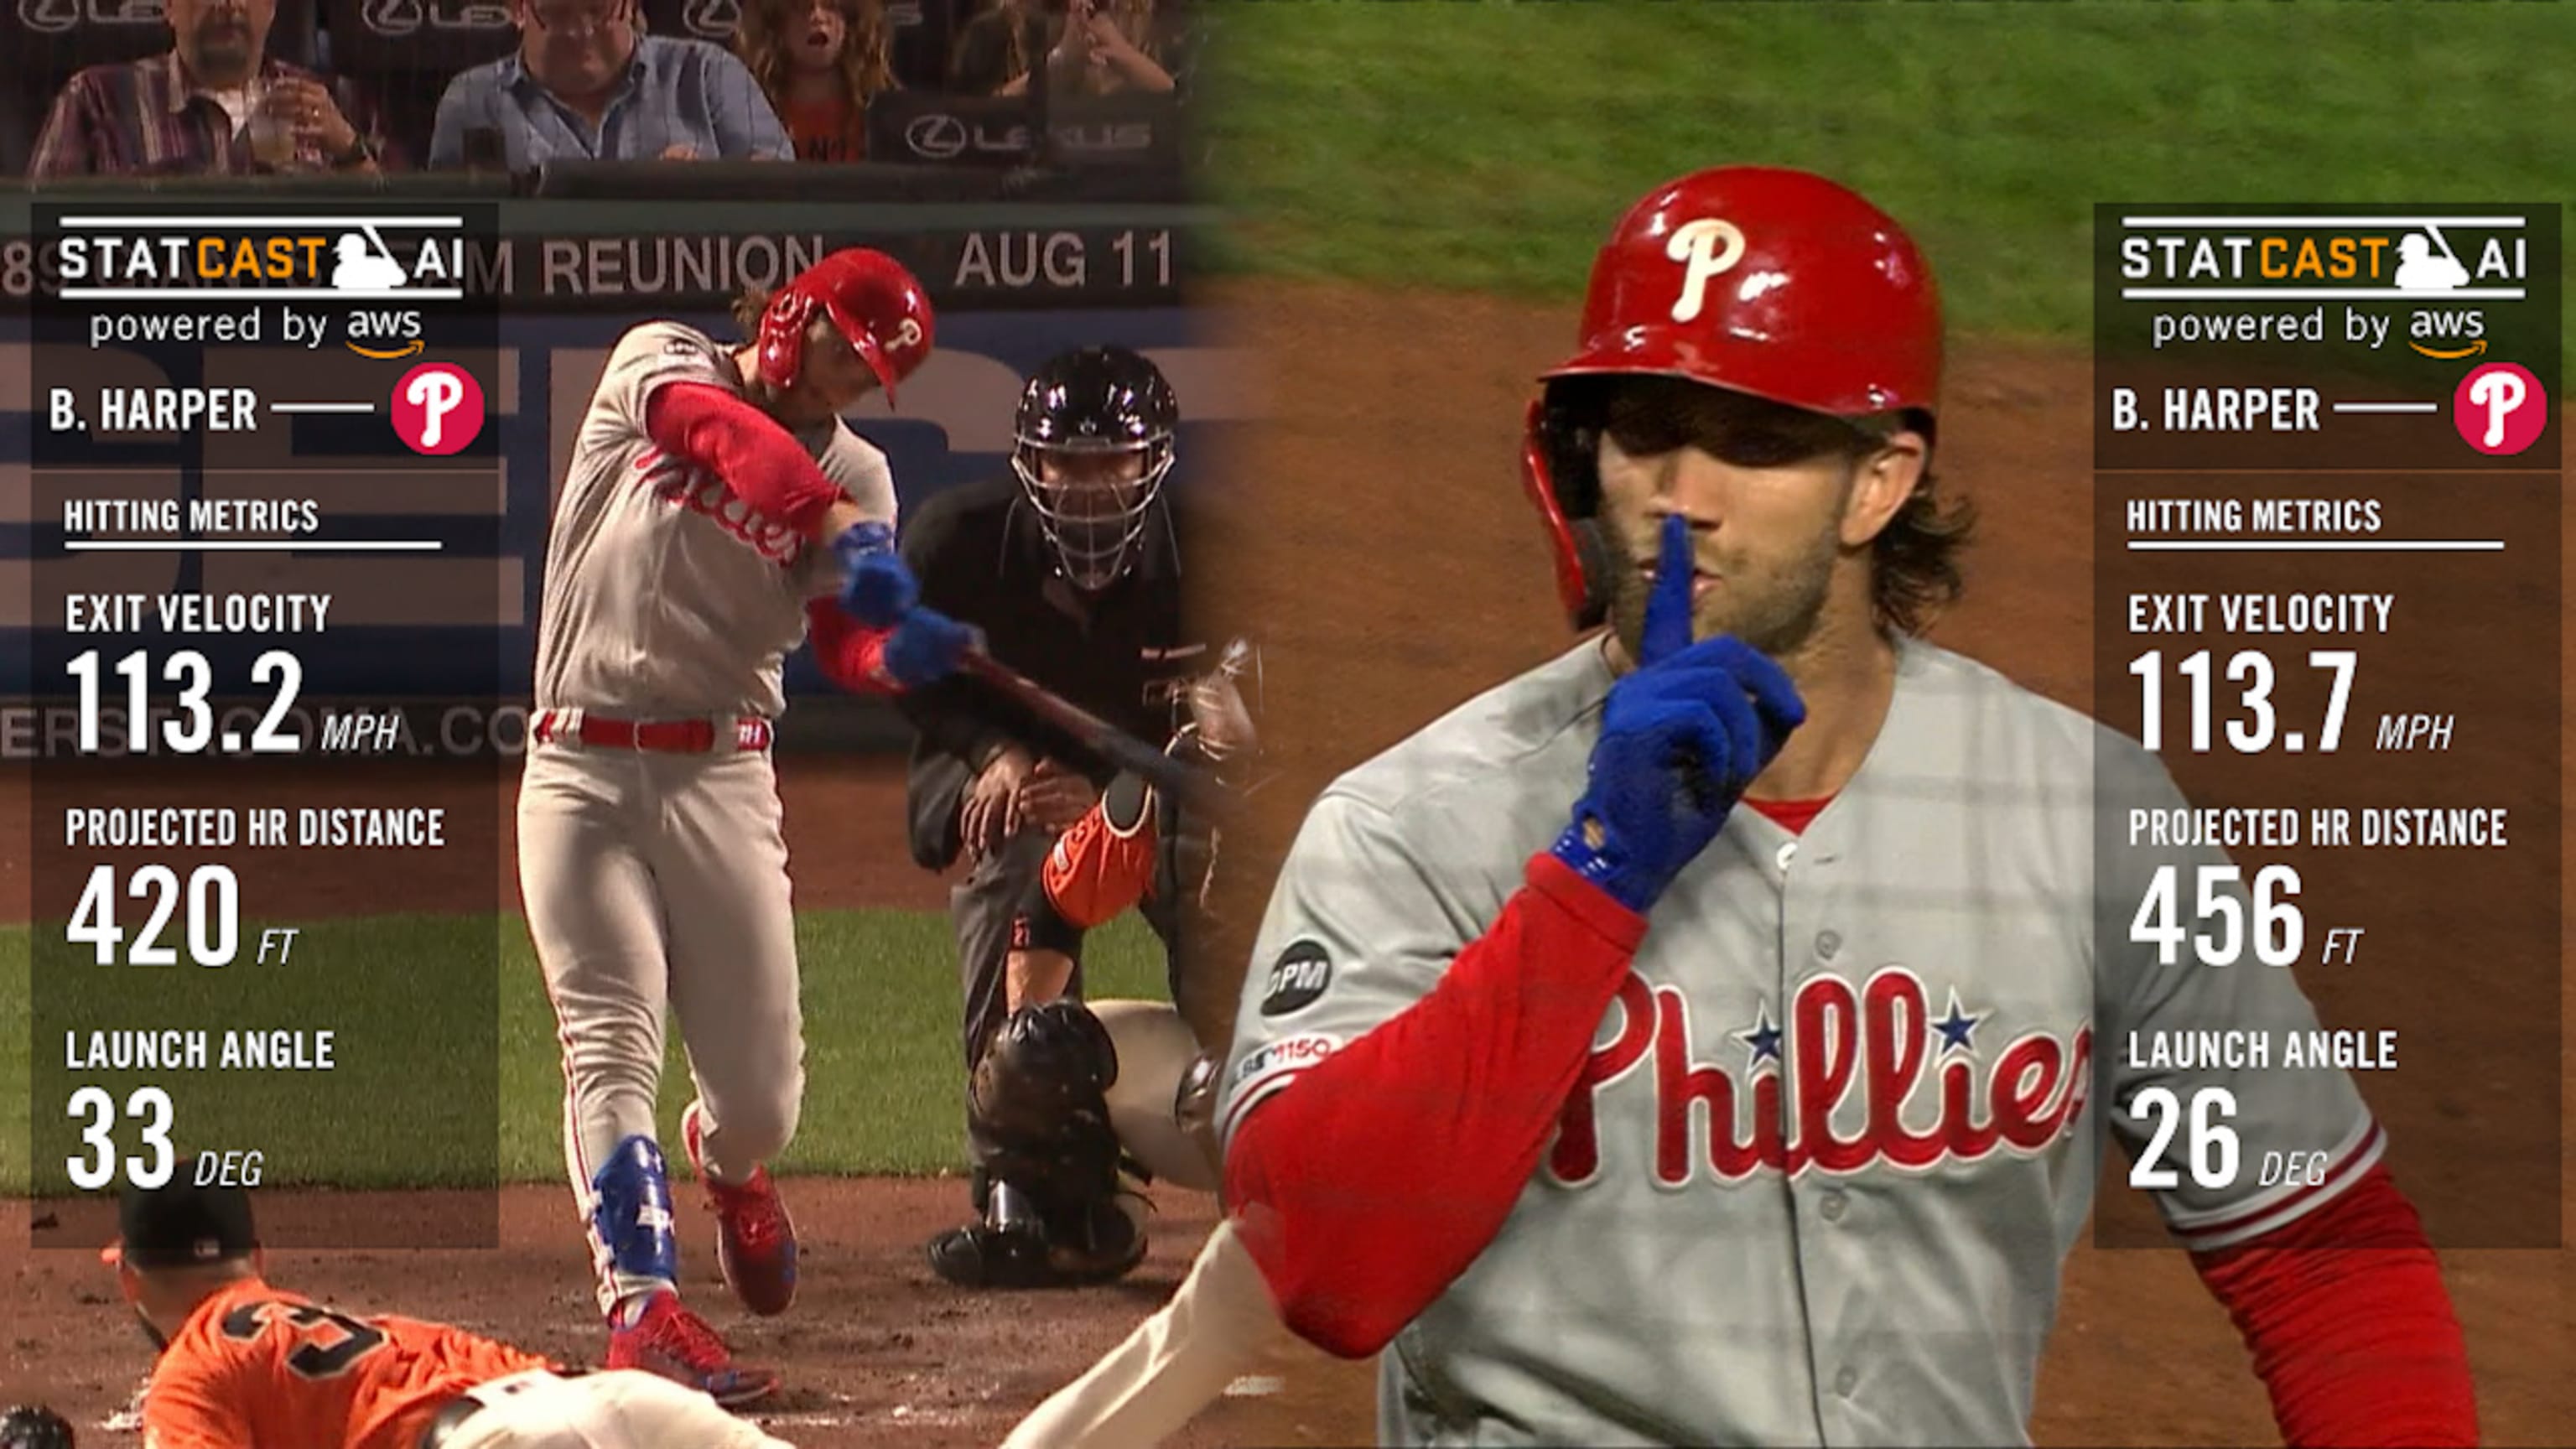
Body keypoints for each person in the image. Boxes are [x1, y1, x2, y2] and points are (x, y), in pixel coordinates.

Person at [1214, 167, 2481, 1446]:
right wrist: (1595, 876)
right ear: (1584, 456)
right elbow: (1328, 1267)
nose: (1682, 493)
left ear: (1878, 485)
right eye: (1646, 427)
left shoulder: (2082, 808)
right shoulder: (1417, 827)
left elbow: (2323, 1252)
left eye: (1757, 440)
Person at [517, 245, 973, 1405]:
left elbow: (841, 643)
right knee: (608, 1035)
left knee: (765, 1093)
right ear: (792, 310)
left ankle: (727, 1164)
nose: (840, 387)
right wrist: (839, 533)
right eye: (839, 350)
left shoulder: (860, 473)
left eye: (866, 379)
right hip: (577, 763)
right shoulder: (659, 360)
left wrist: (896, 658)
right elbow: (725, 441)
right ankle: (644, 1305)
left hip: (721, 774)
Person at [895, 345, 1205, 1289]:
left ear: (1153, 461)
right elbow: (912, 678)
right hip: (999, 774)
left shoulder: (1219, 556)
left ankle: (1263, 1120)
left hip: (1157, 783)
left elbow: (1234, 734)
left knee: (1217, 877)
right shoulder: (952, 540)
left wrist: (1119, 794)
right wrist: (1000, 757)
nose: (1089, 484)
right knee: (1017, 851)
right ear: (1029, 462)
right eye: (1068, 461)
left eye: (1112, 460)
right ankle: (1018, 1185)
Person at [98, 1163, 797, 1448]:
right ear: (258, 1261)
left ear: (130, 1277)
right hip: (625, 1401)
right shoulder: (383, 1335)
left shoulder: (191, 1369)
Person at [28, 0, 393, 179]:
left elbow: (411, 245)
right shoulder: (96, 97)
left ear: (271, 8)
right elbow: (36, 244)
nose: (227, 4)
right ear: (170, 7)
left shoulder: (336, 100)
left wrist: (348, 152)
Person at [427, 0, 792, 169]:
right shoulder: (472, 101)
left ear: (631, 5)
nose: (579, 32)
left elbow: (784, 193)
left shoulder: (708, 73)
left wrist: (706, 193)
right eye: (557, 14)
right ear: (517, 10)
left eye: (598, 11)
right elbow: (453, 244)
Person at [732, 0, 895, 163]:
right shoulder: (748, 119)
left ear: (851, 19)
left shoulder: (884, 116)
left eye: (831, 6)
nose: (817, 17)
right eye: (801, 7)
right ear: (775, 23)